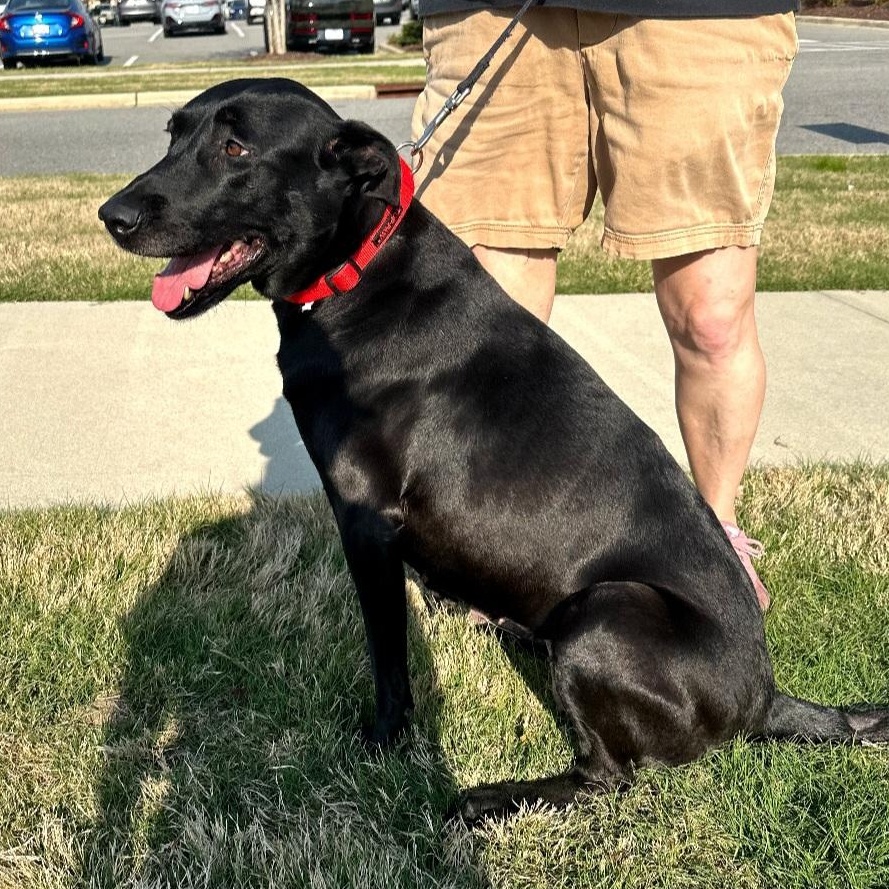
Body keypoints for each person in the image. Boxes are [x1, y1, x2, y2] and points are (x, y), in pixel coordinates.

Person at [410, 1, 800, 611]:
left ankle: (715, 541)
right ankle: (485, 542)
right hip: (494, 11)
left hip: (697, 14)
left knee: (711, 317)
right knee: (484, 321)